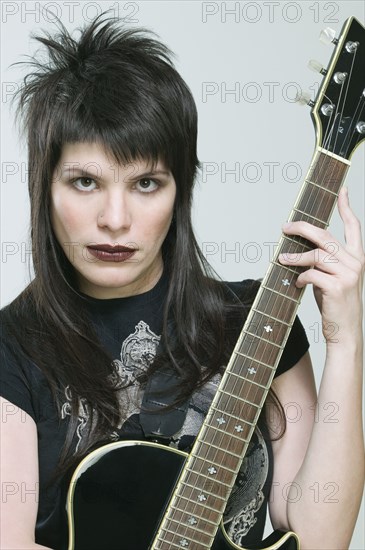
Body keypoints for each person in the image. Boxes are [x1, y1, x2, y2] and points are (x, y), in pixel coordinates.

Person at [0, 14, 364, 550]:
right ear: (43, 188)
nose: (115, 218)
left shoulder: (258, 322)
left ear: (180, 191)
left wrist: (347, 340)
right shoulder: (13, 347)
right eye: (84, 182)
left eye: (146, 183)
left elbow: (319, 540)